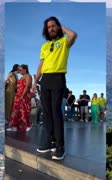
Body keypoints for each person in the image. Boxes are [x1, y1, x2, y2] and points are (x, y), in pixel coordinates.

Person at [32, 16, 77, 160]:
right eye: (49, 27)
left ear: (57, 27)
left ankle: (60, 146)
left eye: (53, 26)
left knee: (56, 112)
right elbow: (41, 65)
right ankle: (50, 142)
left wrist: (61, 27)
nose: (51, 29)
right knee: (47, 112)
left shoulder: (64, 42)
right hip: (45, 80)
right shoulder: (44, 46)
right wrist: (35, 82)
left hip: (58, 78)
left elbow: (73, 35)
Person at [7, 64, 33, 132]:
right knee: (15, 111)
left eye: (20, 70)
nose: (19, 71)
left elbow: (27, 86)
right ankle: (14, 126)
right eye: (18, 70)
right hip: (18, 96)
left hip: (24, 96)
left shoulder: (28, 76)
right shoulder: (21, 77)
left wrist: (22, 95)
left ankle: (27, 125)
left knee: (23, 111)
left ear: (25, 69)